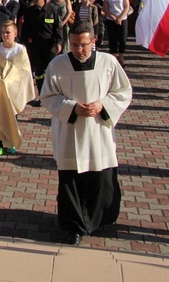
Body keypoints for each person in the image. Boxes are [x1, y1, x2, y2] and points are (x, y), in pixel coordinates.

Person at [41, 22, 132, 246]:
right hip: (70, 131)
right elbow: (48, 96)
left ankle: (97, 220)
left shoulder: (108, 63)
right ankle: (73, 227)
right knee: (71, 180)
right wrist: (72, 107)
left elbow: (123, 91)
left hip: (97, 130)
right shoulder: (58, 64)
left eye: (83, 45)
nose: (79, 50)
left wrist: (102, 105)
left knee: (100, 178)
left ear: (94, 42)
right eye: (74, 45)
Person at [0, 20, 34, 157]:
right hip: (0, 92)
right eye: (3, 32)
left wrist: (11, 81)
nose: (5, 35)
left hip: (13, 92)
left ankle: (11, 142)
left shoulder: (20, 50)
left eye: (8, 32)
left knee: (12, 117)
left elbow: (24, 71)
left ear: (15, 34)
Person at [20, 0, 62, 104]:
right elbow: (25, 29)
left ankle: (53, 95)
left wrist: (58, 42)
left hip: (50, 46)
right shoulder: (30, 11)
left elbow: (58, 28)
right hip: (35, 46)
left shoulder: (53, 10)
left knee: (51, 71)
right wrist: (25, 43)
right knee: (38, 72)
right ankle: (42, 96)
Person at [102, 0, 130, 67]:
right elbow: (105, 8)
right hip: (111, 19)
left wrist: (120, 18)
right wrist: (113, 17)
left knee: (122, 39)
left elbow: (126, 7)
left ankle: (121, 58)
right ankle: (114, 58)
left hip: (122, 18)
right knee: (112, 39)